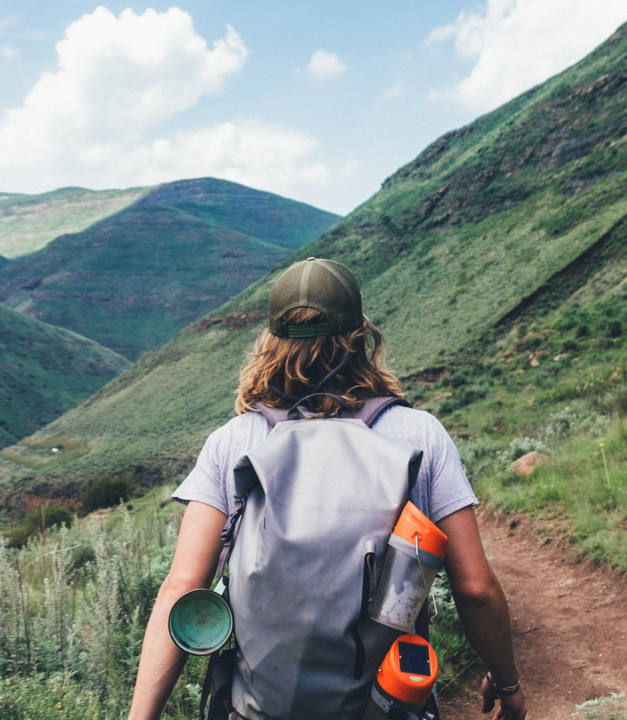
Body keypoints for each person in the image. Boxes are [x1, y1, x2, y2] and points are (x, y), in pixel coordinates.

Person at [127, 258, 527, 720]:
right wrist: (507, 683)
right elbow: (475, 588)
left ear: (270, 344)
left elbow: (182, 586)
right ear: (361, 337)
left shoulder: (233, 442)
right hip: (388, 705)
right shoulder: (420, 435)